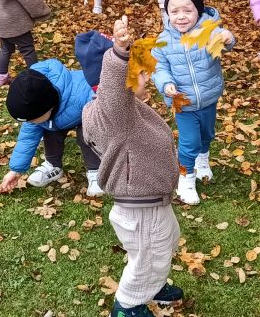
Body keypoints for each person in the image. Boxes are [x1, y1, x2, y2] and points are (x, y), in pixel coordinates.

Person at [83, 16, 185, 317]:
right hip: (140, 208)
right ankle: (127, 306)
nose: (148, 77)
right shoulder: (115, 115)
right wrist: (118, 54)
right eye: (140, 73)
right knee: (148, 258)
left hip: (150, 200)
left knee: (166, 240)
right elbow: (114, 91)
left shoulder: (125, 110)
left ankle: (154, 285)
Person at [152, 0, 235, 205]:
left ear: (198, 10)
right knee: (189, 142)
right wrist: (166, 84)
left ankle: (202, 161)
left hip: (208, 98)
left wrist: (227, 38)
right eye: (174, 11)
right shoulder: (163, 41)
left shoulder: (207, 30)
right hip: (184, 102)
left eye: (187, 11)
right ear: (167, 13)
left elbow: (224, 39)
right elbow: (159, 68)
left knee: (207, 135)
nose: (181, 17)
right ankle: (185, 179)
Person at [0, 60, 102, 196]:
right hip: (60, 118)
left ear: (49, 106)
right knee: (49, 129)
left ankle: (96, 172)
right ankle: (53, 166)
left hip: (89, 113)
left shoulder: (83, 95)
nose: (31, 122)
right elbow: (27, 138)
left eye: (33, 119)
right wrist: (15, 170)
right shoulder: (35, 112)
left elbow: (105, 115)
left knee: (86, 133)